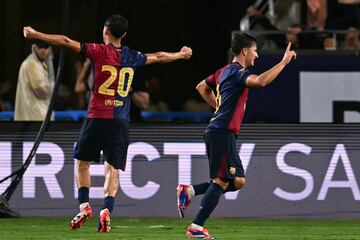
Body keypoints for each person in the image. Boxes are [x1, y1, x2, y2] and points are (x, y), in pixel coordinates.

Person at [23, 14, 192, 232]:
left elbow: (65, 41)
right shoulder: (133, 56)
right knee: (112, 168)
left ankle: (84, 206)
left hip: (96, 117)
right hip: (120, 121)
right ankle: (107, 209)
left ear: (105, 30)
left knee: (82, 162)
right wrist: (181, 54)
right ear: (124, 34)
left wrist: (36, 34)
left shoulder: (97, 51)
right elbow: (159, 56)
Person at [177, 33, 296, 239]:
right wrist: (283, 62)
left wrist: (218, 107)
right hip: (221, 131)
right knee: (222, 181)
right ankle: (196, 227)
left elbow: (201, 87)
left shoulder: (223, 71)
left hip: (221, 131)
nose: (256, 55)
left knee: (238, 180)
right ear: (244, 51)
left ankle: (189, 192)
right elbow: (260, 81)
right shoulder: (239, 72)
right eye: (255, 50)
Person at [14, 40, 55, 121]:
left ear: (50, 49)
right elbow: (42, 91)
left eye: (46, 47)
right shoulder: (32, 64)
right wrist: (52, 87)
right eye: (40, 47)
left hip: (36, 118)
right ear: (34, 48)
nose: (43, 50)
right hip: (34, 118)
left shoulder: (40, 64)